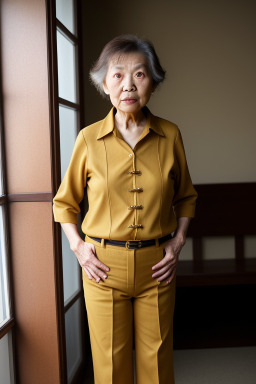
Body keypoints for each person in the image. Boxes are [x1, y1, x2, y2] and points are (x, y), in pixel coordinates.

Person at [53, 34, 197, 384]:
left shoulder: (171, 134)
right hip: (103, 267)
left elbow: (187, 197)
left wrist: (177, 244)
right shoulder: (88, 138)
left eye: (139, 74)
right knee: (111, 367)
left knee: (157, 362)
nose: (128, 85)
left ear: (153, 83)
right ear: (104, 84)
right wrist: (79, 248)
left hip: (157, 265)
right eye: (117, 75)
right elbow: (64, 203)